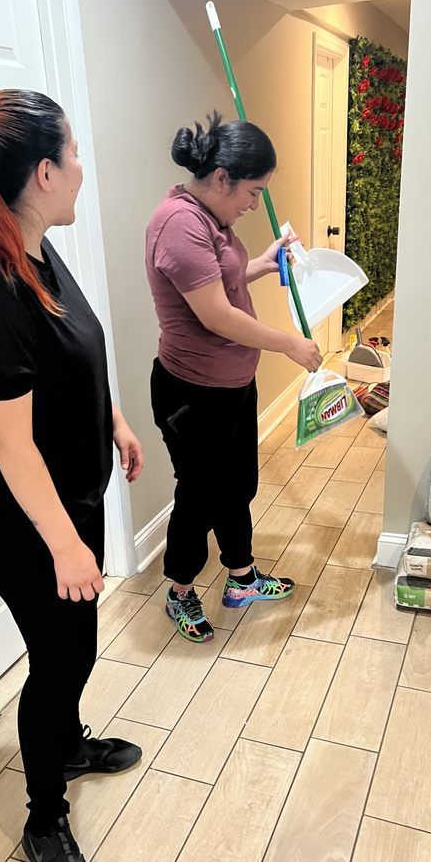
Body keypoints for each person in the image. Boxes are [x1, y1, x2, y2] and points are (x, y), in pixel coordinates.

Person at [0, 90, 144, 862]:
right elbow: (10, 446)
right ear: (45, 172)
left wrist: (114, 419)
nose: (85, 169)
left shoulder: (33, 246)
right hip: (17, 518)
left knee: (74, 647)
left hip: (62, 500)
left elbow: (73, 352)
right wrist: (65, 543)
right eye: (76, 154)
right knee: (59, 659)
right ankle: (43, 819)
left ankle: (70, 744)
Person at [146, 113, 322, 643]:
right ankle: (179, 591)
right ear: (220, 177)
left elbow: (216, 282)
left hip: (231, 387)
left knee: (238, 484)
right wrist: (291, 342)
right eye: (252, 192)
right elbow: (215, 314)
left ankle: (241, 579)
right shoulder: (180, 223)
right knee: (199, 495)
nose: (253, 204)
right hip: (192, 393)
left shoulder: (212, 220)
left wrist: (264, 263)